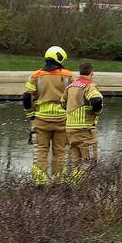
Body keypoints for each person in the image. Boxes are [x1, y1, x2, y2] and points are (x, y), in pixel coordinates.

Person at [23, 46, 74, 184]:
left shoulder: (35, 76)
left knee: (40, 152)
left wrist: (31, 115)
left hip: (40, 120)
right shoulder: (68, 76)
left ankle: (39, 183)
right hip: (62, 120)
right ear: (60, 58)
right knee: (60, 153)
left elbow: (27, 98)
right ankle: (60, 182)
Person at [62, 61, 103, 184]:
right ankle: (83, 190)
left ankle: (74, 189)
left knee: (77, 164)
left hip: (70, 131)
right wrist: (96, 112)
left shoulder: (70, 86)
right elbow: (96, 100)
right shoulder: (89, 86)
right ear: (91, 73)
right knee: (90, 163)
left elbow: (63, 103)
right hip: (85, 131)